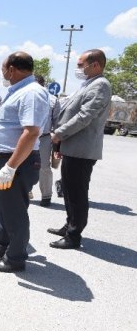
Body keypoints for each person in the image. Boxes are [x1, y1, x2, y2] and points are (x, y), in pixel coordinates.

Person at [0, 51, 50, 272]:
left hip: (17, 161)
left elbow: (31, 132)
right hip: (5, 159)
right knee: (1, 206)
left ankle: (15, 258)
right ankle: (0, 244)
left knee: (14, 211)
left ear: (12, 69)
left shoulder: (32, 92)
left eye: (3, 68)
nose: (2, 73)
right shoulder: (18, 91)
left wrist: (11, 166)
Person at [48, 49, 112, 249]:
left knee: (76, 193)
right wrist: (61, 143)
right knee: (68, 190)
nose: (78, 68)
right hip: (72, 147)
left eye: (80, 64)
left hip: (82, 149)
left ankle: (74, 236)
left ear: (95, 65)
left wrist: (60, 133)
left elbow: (85, 116)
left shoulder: (100, 85)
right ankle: (69, 225)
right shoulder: (89, 84)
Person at [35, 74, 61, 207]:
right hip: (23, 137)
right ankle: (23, 192)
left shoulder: (53, 100)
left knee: (44, 168)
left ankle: (46, 196)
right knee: (20, 165)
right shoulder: (22, 96)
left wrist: (57, 147)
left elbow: (57, 123)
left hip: (43, 138)